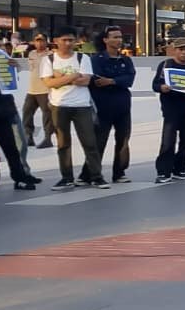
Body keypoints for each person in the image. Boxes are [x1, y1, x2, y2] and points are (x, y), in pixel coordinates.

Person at [0, 25, 41, 193]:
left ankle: (19, 178)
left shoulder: (0, 57)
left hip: (1, 108)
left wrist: (13, 66)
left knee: (11, 146)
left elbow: (10, 80)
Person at [40, 27, 105, 190]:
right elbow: (49, 83)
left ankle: (96, 176)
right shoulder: (49, 60)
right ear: (56, 41)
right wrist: (74, 75)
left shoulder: (83, 58)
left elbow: (85, 81)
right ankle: (66, 177)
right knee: (63, 144)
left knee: (89, 142)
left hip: (81, 105)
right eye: (64, 40)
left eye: (71, 40)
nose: (68, 43)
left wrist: (60, 77)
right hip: (59, 105)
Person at [150, 39, 185, 184]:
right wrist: (162, 88)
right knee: (168, 141)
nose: (184, 52)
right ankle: (163, 171)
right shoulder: (166, 65)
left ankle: (179, 168)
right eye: (181, 49)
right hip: (171, 109)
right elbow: (155, 85)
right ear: (175, 50)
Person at [90, 26, 136, 184]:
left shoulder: (126, 60)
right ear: (105, 40)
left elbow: (129, 80)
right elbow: (97, 80)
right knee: (99, 141)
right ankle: (90, 174)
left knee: (123, 140)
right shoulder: (96, 59)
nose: (119, 40)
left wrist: (112, 81)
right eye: (115, 37)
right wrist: (116, 81)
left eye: (120, 37)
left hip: (123, 106)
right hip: (103, 106)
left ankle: (119, 172)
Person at [22, 32, 55, 148]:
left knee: (47, 115)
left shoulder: (51, 55)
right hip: (32, 90)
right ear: (34, 42)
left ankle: (48, 138)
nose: (40, 43)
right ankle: (28, 136)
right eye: (37, 40)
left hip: (45, 90)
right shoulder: (31, 53)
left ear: (46, 42)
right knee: (27, 112)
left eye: (42, 40)